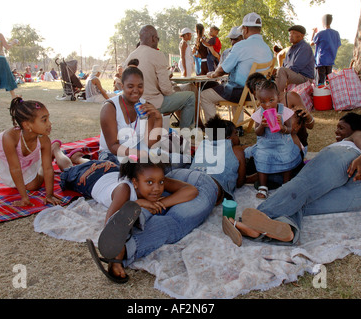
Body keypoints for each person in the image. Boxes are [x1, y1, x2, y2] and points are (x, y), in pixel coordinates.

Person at [224, 113, 361, 246]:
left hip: (348, 163)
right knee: (300, 201)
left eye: (341, 127)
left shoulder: (358, 137)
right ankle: (287, 229)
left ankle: (250, 221)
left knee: (301, 186)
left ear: (355, 130)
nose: (336, 131)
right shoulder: (351, 144)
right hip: (359, 195)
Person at [61, 157, 198, 282]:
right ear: (135, 182)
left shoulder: (151, 177)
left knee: (89, 162)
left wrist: (162, 203)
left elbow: (191, 190)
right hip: (87, 177)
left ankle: (78, 157)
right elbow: (111, 224)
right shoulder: (124, 189)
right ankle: (58, 151)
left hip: (109, 168)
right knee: (68, 167)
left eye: (161, 182)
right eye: (150, 182)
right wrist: (138, 203)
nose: (157, 188)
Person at [200, 12, 274, 126]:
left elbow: (222, 70)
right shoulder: (267, 48)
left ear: (245, 29)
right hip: (261, 93)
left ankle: (216, 132)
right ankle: (237, 126)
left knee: (205, 95)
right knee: (233, 85)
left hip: (242, 92)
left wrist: (213, 74)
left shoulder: (241, 46)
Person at [0, 98, 62, 207]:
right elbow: (15, 168)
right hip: (8, 159)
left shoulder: (44, 140)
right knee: (28, 184)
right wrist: (24, 198)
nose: (50, 123)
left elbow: (48, 168)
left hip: (27, 156)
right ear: (27, 125)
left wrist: (49, 195)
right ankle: (51, 153)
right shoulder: (9, 138)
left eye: (48, 118)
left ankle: (51, 153)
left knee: (33, 185)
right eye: (44, 120)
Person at [124, 25, 196, 129]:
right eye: (158, 39)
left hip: (132, 104)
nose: (157, 41)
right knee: (190, 96)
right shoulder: (157, 54)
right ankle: (186, 137)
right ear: (153, 38)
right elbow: (166, 90)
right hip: (151, 103)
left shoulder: (130, 56)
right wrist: (173, 91)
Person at [98, 59, 164, 164]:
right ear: (122, 86)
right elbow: (113, 146)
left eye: (140, 86)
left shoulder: (146, 106)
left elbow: (150, 143)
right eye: (130, 86)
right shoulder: (110, 108)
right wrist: (138, 155)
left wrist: (158, 119)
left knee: (165, 160)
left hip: (138, 150)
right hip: (113, 154)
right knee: (131, 173)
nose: (136, 90)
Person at [244, 80, 301, 199]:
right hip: (265, 145)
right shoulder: (259, 113)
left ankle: (286, 183)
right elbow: (257, 133)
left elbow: (290, 129)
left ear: (278, 97)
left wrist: (283, 127)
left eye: (271, 100)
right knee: (261, 157)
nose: (268, 105)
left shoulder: (284, 111)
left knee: (287, 156)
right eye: (263, 102)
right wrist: (262, 126)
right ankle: (263, 186)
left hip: (282, 144)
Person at [246, 72, 315, 156]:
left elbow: (311, 126)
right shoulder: (261, 110)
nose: (266, 103)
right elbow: (259, 134)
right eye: (261, 99)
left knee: (291, 136)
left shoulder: (290, 97)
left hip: (295, 146)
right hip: (274, 148)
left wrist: (307, 117)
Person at [190, 114, 246, 204]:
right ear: (228, 139)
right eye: (236, 134)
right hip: (212, 188)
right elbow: (240, 182)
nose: (237, 137)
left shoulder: (203, 144)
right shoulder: (237, 150)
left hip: (190, 180)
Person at [275, 25, 315, 95]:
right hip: (295, 74)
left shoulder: (305, 47)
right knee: (274, 71)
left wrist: (281, 71)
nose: (291, 35)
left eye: (294, 33)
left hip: (305, 78)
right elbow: (285, 65)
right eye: (290, 33)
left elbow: (296, 68)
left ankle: (278, 97)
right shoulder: (291, 49)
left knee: (282, 71)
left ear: (301, 36)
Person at [310, 14, 341, 85]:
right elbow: (338, 46)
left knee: (320, 80)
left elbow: (311, 43)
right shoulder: (336, 33)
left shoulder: (320, 33)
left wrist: (314, 32)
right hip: (330, 60)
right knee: (328, 80)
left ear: (323, 22)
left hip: (321, 61)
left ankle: (320, 94)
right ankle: (327, 94)